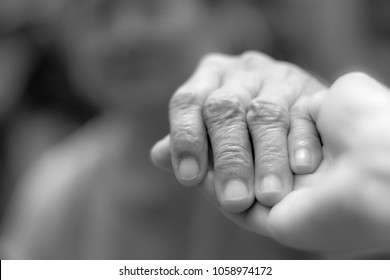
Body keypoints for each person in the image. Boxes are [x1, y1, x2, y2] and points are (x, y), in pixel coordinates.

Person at [1, 0, 309, 259]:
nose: (127, 34)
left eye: (152, 7)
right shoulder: (53, 192)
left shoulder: (285, 146)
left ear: (221, 17)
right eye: (99, 14)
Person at [151, 52, 390, 258]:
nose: (127, 33)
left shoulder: (316, 121)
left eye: (154, 9)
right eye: (110, 14)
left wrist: (373, 169)